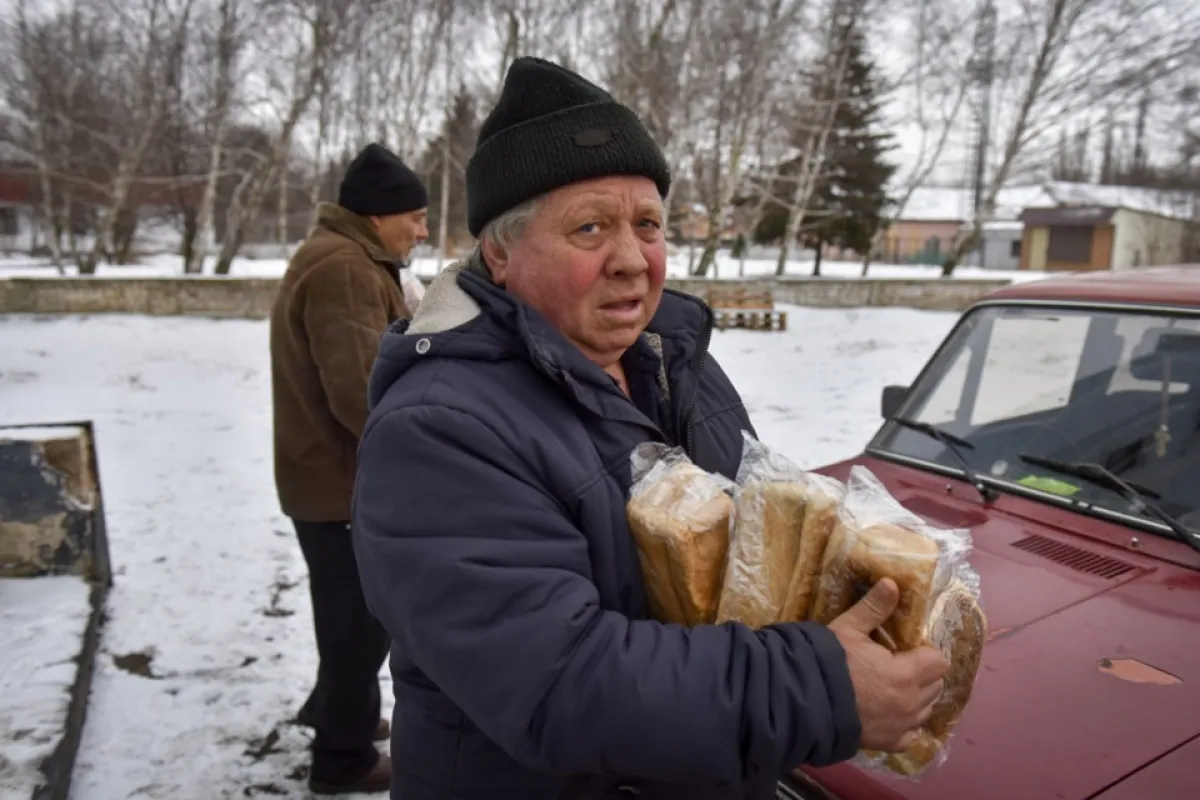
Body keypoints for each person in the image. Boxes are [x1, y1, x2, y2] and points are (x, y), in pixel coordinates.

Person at [351, 57, 948, 800]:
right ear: (499, 254)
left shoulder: (676, 359)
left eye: (649, 225)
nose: (632, 261)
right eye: (591, 228)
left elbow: (754, 556)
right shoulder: (438, 427)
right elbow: (559, 683)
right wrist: (820, 686)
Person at [269, 142, 428, 795]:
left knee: (349, 617)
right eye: (415, 217)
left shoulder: (343, 257)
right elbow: (361, 389)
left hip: (327, 478)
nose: (422, 230)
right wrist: (426, 456)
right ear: (377, 216)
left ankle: (329, 710)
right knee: (358, 628)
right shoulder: (345, 268)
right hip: (340, 486)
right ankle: (343, 759)